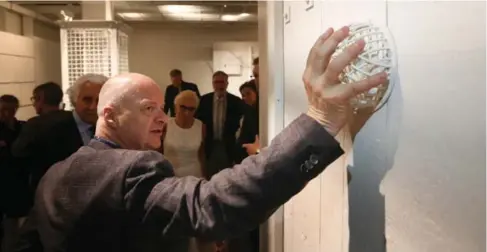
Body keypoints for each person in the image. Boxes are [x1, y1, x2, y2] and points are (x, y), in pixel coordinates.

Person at [28, 26, 387, 252]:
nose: (162, 117)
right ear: (109, 116)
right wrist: (320, 121)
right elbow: (213, 205)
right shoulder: (131, 170)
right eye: (147, 108)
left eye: (162, 107)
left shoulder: (53, 175)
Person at [160, 90, 213, 252]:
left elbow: (202, 154)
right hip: (171, 177)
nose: (187, 112)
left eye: (191, 109)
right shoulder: (165, 125)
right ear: (175, 106)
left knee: (194, 222)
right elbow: (158, 151)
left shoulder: (201, 126)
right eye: (183, 107)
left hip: (194, 176)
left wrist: (206, 180)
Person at [195, 71, 245, 178]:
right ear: (213, 84)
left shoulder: (236, 101)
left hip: (227, 144)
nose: (219, 85)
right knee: (208, 175)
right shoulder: (204, 100)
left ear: (227, 83)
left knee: (227, 177)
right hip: (209, 144)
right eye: (216, 82)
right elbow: (198, 121)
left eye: (222, 82)